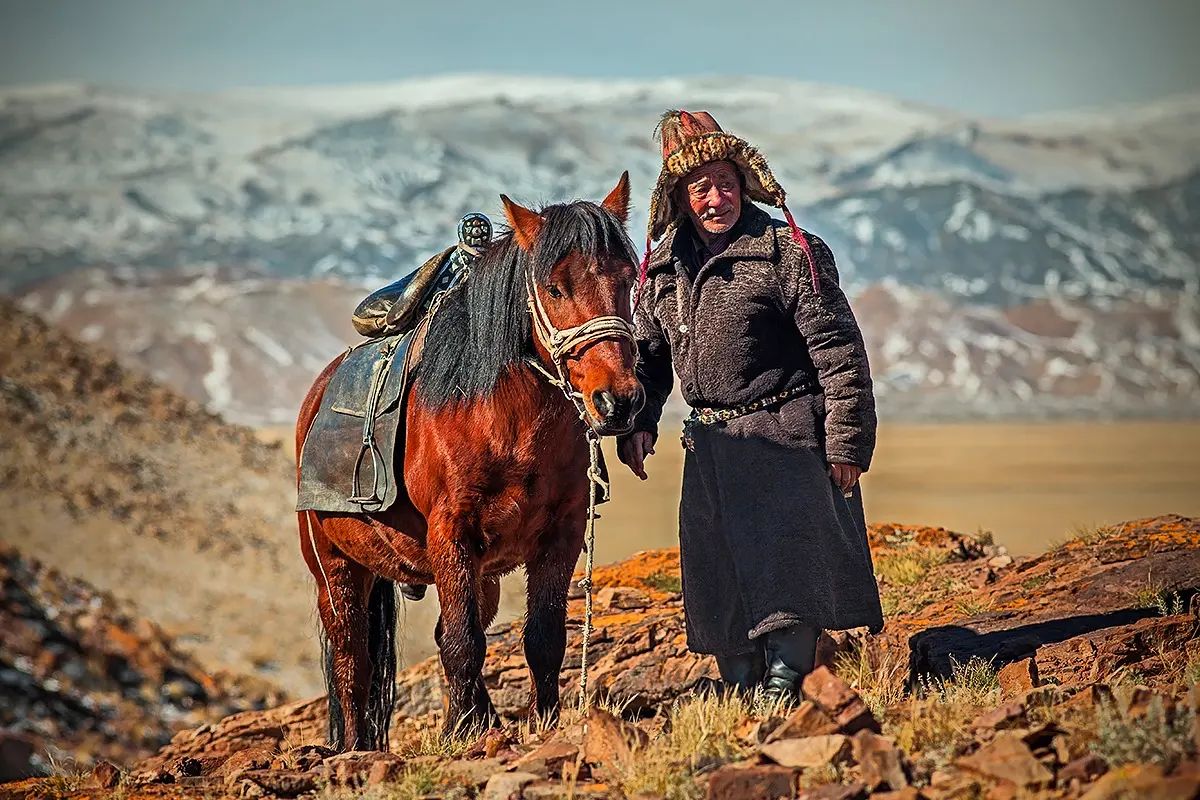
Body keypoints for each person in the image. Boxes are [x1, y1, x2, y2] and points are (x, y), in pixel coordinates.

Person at [616, 110, 883, 703]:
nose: (717, 198)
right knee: (720, 586)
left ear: (744, 183)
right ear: (681, 198)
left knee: (787, 579)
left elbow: (839, 353)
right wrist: (638, 423)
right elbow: (653, 361)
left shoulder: (788, 252)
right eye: (700, 187)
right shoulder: (659, 271)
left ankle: (786, 699)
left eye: (726, 183)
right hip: (711, 448)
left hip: (787, 439)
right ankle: (742, 699)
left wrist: (846, 444)